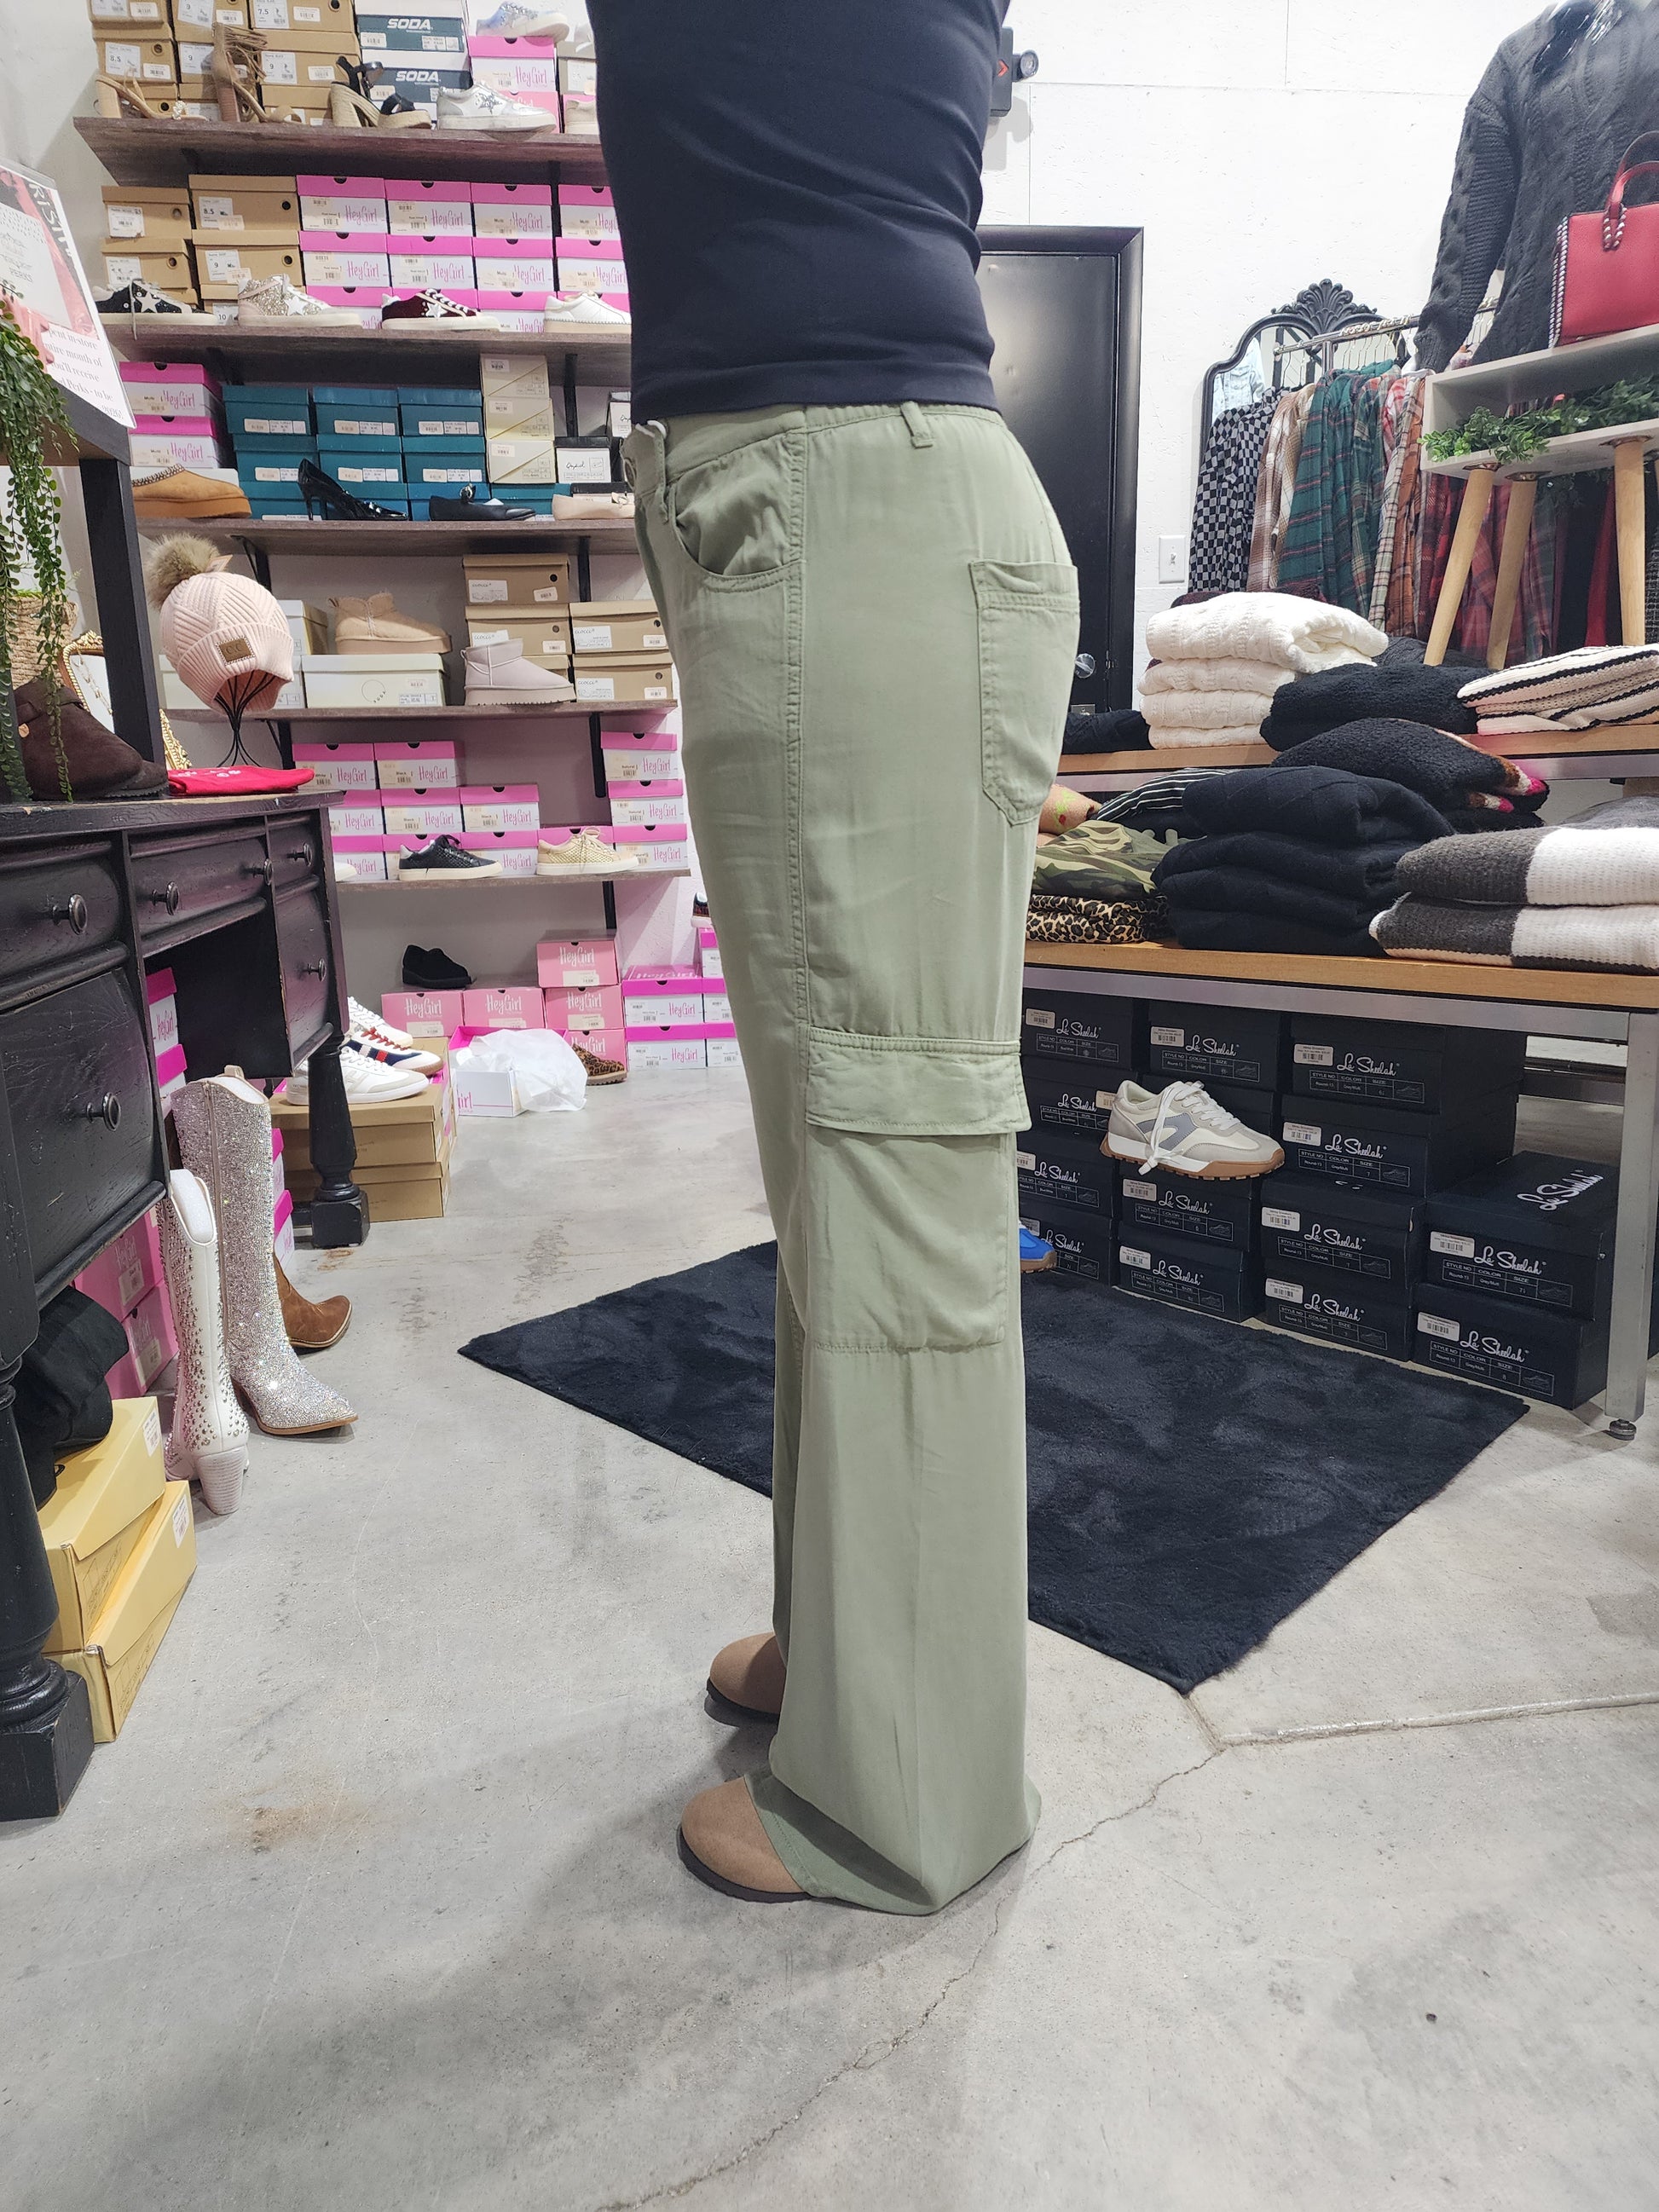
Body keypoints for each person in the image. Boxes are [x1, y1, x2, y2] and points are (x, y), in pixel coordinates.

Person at [592, 0, 1078, 1915]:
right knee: (834, 1146)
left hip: (847, 498)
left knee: (890, 1139)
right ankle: (855, 1655)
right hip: (798, 492)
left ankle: (903, 1796)